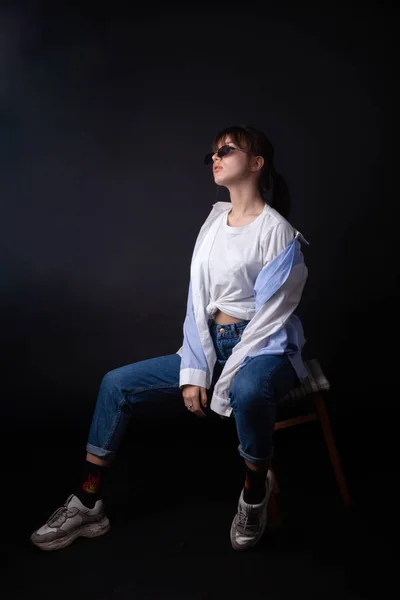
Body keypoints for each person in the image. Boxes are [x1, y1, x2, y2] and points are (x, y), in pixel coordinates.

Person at [30, 124, 309, 553]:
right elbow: (197, 303)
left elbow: (271, 319)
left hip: (266, 347)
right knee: (115, 384)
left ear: (256, 163)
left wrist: (226, 380)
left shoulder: (278, 233)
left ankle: (255, 492)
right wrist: (197, 367)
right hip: (213, 344)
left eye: (227, 150)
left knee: (250, 390)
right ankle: (87, 504)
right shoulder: (214, 222)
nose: (215, 157)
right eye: (212, 153)